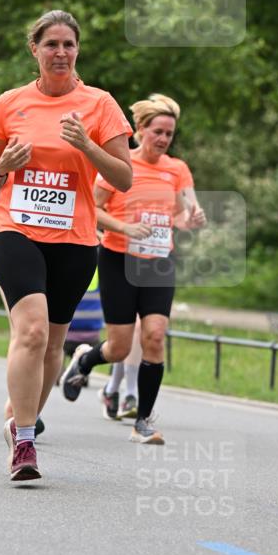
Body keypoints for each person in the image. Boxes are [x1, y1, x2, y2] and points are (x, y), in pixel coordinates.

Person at [0, 8, 133, 482]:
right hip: (14, 229)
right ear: (35, 50)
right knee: (32, 331)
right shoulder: (11, 102)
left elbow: (123, 177)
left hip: (74, 238)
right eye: (51, 44)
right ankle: (24, 441)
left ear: (78, 49)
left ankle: (17, 415)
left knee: (54, 346)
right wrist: (1, 166)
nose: (60, 52)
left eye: (68, 44)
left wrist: (87, 145)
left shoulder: (100, 104)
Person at [61, 93, 206, 444]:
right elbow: (90, 209)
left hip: (158, 262)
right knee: (120, 348)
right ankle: (84, 360)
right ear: (140, 129)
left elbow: (185, 210)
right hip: (118, 260)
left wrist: (192, 218)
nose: (163, 139)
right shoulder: (119, 165)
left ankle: (143, 422)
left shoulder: (177, 168)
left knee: (154, 336)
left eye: (169, 134)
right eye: (157, 131)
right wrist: (124, 228)